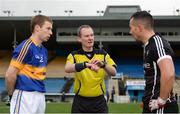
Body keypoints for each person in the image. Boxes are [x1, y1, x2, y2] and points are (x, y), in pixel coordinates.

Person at [129, 11, 179, 113]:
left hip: (161, 108)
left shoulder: (157, 43)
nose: (130, 31)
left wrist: (161, 100)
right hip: (151, 106)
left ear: (139, 28)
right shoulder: (148, 46)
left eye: (131, 28)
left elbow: (169, 73)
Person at [5, 15, 53, 114]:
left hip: (40, 95)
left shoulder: (44, 50)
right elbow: (10, 75)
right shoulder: (26, 47)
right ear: (37, 28)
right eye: (48, 28)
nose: (51, 32)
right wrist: (11, 96)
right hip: (25, 95)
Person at [65, 25, 117, 113]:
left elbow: (114, 72)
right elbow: (67, 68)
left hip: (99, 102)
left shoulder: (103, 54)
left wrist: (103, 65)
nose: (90, 38)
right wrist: (85, 65)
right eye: (86, 36)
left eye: (92, 35)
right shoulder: (74, 55)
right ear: (79, 39)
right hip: (80, 102)